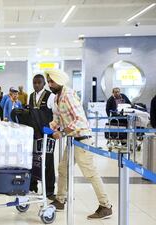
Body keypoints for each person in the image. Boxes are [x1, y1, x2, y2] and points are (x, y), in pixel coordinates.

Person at [46, 70, 112, 219]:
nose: (49, 84)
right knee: (63, 168)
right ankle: (60, 200)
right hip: (72, 139)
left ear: (59, 81)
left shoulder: (68, 95)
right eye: (48, 81)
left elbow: (80, 120)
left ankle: (105, 205)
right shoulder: (57, 97)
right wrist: (52, 126)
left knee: (90, 172)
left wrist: (62, 132)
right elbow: (58, 118)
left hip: (82, 139)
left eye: (52, 81)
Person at [27, 74, 56, 200]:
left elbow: (56, 115)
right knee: (33, 160)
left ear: (44, 84)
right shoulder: (31, 96)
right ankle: (32, 186)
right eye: (34, 83)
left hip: (47, 135)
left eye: (39, 83)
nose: (36, 85)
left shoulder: (51, 96)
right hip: (33, 135)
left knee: (48, 162)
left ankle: (49, 190)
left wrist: (53, 130)